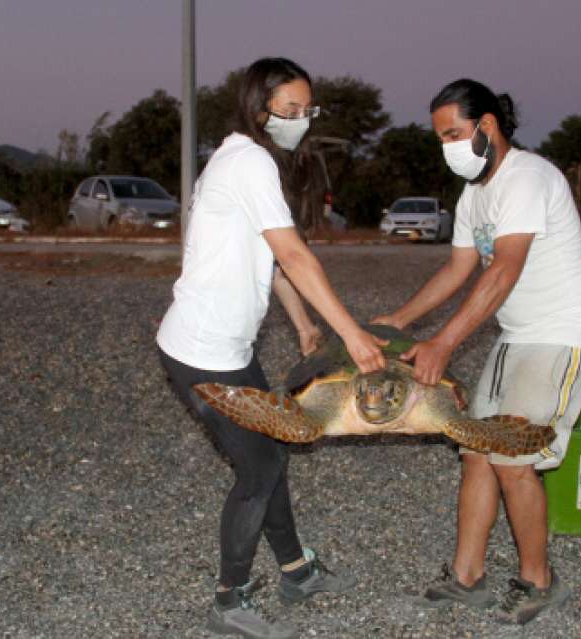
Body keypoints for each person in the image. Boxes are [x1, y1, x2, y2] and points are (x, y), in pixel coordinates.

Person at [156, 57, 387, 638]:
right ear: (259, 108)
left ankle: (296, 571)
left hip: (229, 349)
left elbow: (272, 260)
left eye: (307, 110)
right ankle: (229, 600)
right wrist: (352, 334)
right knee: (260, 468)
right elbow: (296, 255)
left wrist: (304, 323)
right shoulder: (250, 161)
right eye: (289, 110)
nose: (300, 120)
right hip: (202, 353)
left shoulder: (243, 158)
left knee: (273, 451)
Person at [372, 79, 581, 625]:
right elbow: (459, 267)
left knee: (512, 458)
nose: (447, 146)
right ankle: (466, 576)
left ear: (488, 126)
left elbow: (504, 267)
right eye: (440, 138)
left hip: (563, 333)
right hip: (518, 333)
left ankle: (539, 582)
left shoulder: (527, 178)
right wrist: (402, 320)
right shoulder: (475, 191)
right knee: (475, 448)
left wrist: (445, 341)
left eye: (454, 133)